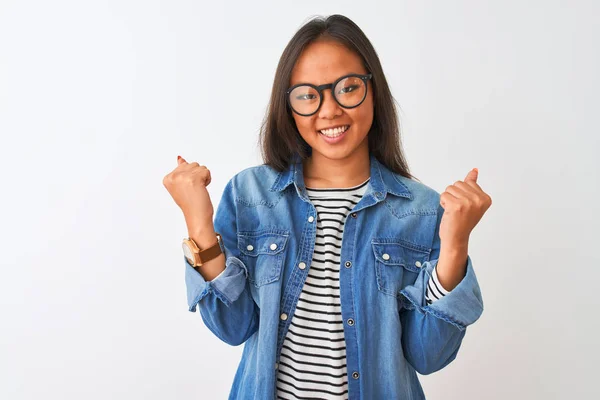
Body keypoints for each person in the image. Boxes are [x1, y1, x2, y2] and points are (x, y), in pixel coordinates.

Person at [163, 14, 492, 400]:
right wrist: (198, 222)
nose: (329, 110)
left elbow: (428, 356)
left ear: (373, 90)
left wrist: (455, 245)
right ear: (288, 106)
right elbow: (231, 328)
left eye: (347, 88)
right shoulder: (249, 195)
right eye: (307, 94)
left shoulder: (421, 210)